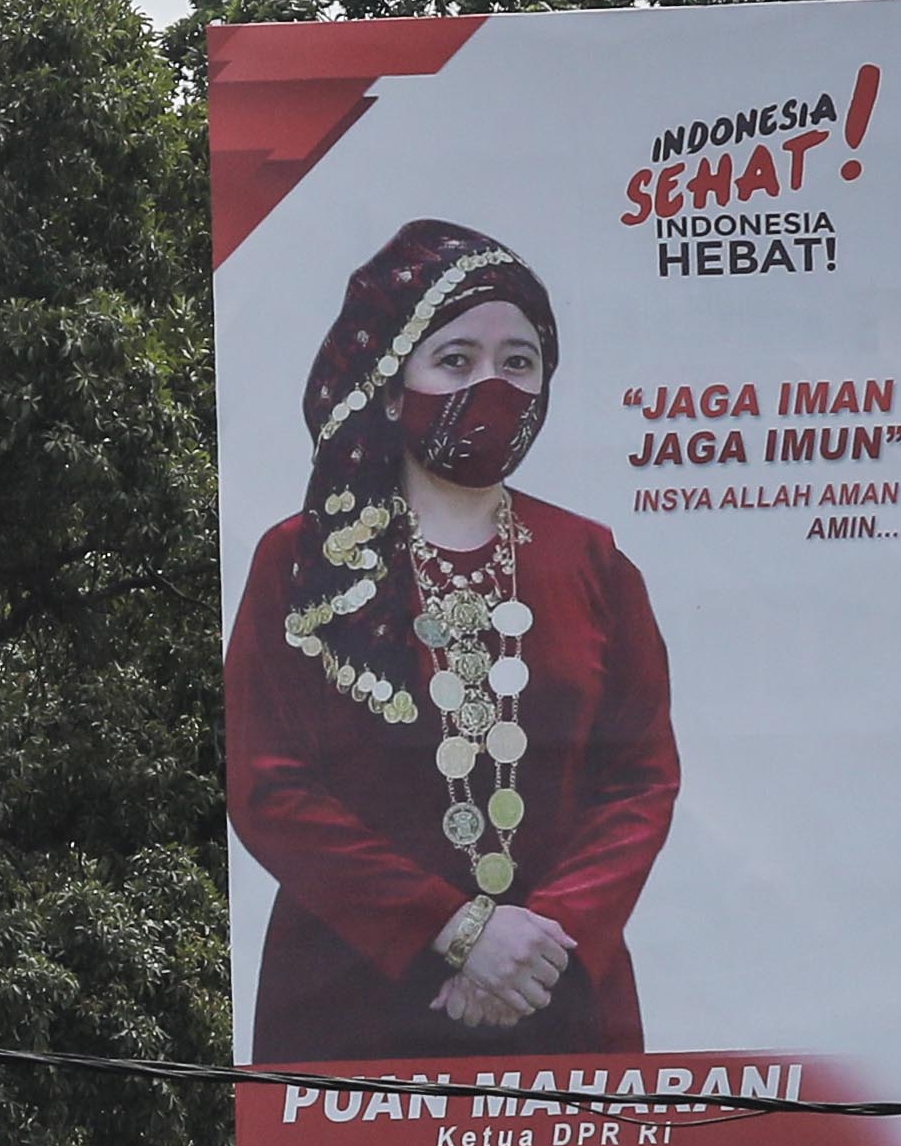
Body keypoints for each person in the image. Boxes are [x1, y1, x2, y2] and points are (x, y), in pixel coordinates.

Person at [225, 220, 681, 1061]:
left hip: (558, 991)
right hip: (344, 1000)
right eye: (456, 360)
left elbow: (640, 778)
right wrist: (455, 928)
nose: (493, 385)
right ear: (392, 387)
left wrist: (544, 937)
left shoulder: (594, 560)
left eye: (518, 362)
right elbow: (267, 785)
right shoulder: (302, 559)